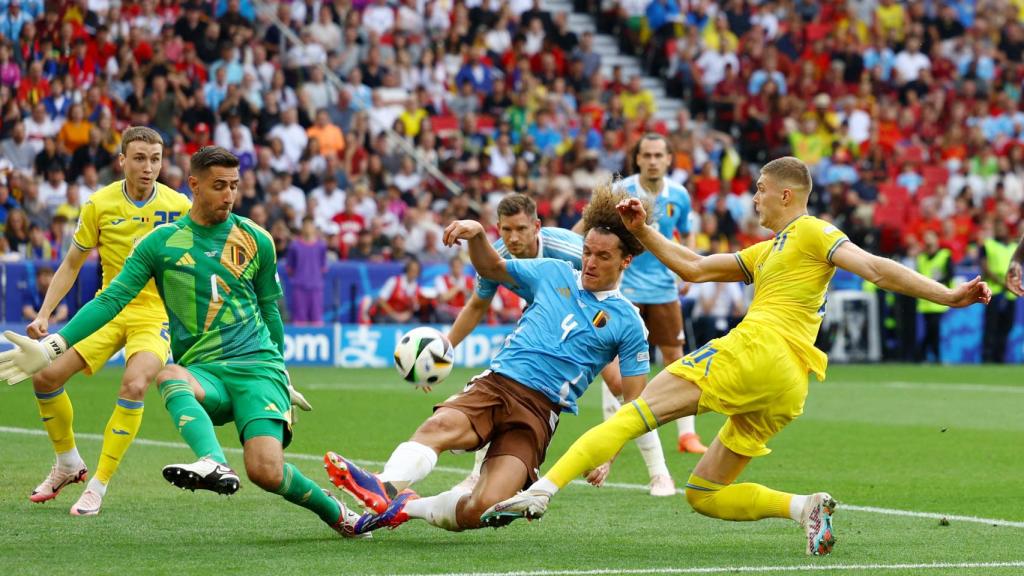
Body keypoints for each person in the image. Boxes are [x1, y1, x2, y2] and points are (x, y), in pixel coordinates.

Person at [483, 157, 991, 556]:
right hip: (788, 384)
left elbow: (875, 268)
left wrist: (947, 295)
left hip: (757, 349)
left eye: (760, 190)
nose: (754, 198)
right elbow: (695, 267)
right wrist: (641, 230)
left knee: (634, 413)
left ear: (785, 194)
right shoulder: (769, 250)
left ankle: (544, 489)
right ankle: (804, 508)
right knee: (703, 493)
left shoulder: (814, 231)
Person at [0, 147, 359, 537]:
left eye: (234, 186)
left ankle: (338, 512)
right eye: (219, 186)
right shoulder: (159, 244)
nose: (229, 195)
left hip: (258, 368)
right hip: (205, 373)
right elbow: (111, 300)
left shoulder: (257, 238)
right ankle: (212, 461)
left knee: (265, 472)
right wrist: (53, 346)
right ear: (194, 185)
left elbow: (270, 310)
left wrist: (283, 374)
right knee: (169, 374)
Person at [321, 184, 652, 536]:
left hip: (538, 414)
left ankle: (405, 507)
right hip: (499, 384)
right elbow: (492, 267)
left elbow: (633, 405)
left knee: (485, 507)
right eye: (587, 252)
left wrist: (608, 455)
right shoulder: (553, 271)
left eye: (602, 256)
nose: (590, 262)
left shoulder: (629, 322)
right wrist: (477, 234)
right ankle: (384, 485)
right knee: (440, 427)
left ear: (625, 261)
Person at [447, 193, 675, 497]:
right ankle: (476, 475)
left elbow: (606, 276)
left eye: (521, 229)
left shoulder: (570, 253)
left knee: (622, 387)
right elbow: (477, 305)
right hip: (544, 318)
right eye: (506, 230)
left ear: (536, 227)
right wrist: (445, 348)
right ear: (498, 229)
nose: (513, 238)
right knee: (506, 375)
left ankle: (659, 472)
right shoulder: (495, 256)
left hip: (595, 314)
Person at [18, 127, 191, 516]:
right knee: (44, 377)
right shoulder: (100, 204)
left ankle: (97, 485)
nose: (149, 167)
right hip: (109, 307)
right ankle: (67, 462)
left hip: (154, 314)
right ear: (122, 161)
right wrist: (44, 314)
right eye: (140, 158)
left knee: (135, 384)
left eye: (156, 159)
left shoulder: (179, 206)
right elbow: (71, 264)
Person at [914, 230, 952, 363]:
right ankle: (930, 356)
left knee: (933, 329)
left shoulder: (944, 255)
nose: (928, 241)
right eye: (926, 238)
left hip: (939, 300)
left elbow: (950, 275)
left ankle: (923, 355)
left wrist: (936, 284)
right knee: (930, 330)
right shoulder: (921, 258)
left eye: (930, 237)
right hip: (925, 301)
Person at [285, 216, 327, 326]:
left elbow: (323, 267)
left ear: (314, 227)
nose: (308, 227)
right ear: (302, 227)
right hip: (299, 287)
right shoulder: (294, 246)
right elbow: (290, 268)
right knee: (299, 320)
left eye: (310, 225)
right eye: (305, 225)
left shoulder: (321, 246)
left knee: (317, 320)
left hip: (316, 288)